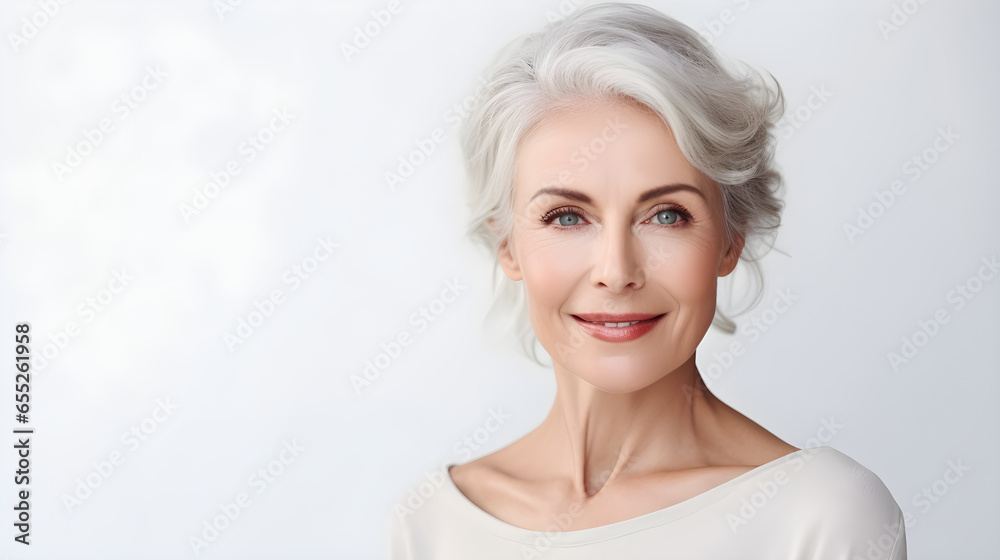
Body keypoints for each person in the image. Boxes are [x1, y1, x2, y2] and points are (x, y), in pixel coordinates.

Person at [390, 3, 906, 558]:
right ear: (507, 245)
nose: (616, 271)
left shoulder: (822, 516)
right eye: (567, 217)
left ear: (731, 238)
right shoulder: (436, 521)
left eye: (667, 215)